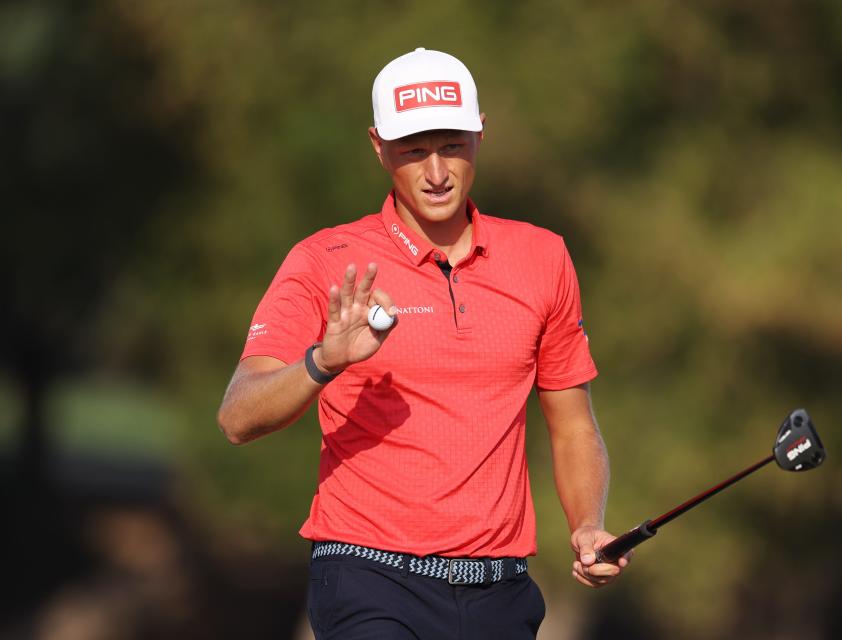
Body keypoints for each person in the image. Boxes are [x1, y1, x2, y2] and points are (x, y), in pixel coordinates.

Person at [217, 47, 629, 639]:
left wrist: (589, 523)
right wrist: (322, 363)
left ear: (481, 135)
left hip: (499, 587)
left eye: (453, 146)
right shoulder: (322, 261)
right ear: (378, 146)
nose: (437, 173)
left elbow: (573, 425)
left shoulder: (543, 258)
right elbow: (237, 416)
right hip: (367, 575)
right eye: (413, 151)